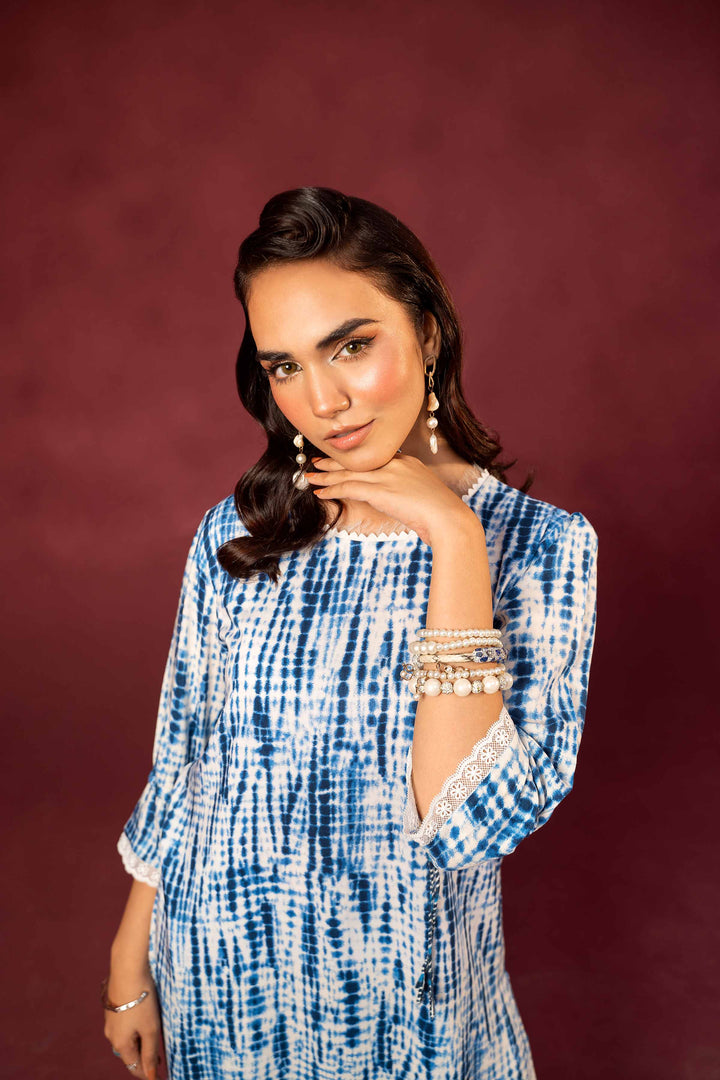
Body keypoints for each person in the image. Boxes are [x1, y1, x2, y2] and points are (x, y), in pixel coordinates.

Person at [103, 186, 599, 1080]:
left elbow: (468, 825)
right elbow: (185, 767)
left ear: (428, 333)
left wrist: (455, 539)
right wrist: (128, 960)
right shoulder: (236, 536)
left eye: (351, 347)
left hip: (405, 1013)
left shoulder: (544, 550)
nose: (323, 400)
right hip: (224, 986)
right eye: (285, 366)